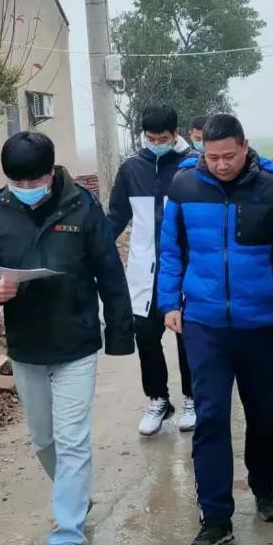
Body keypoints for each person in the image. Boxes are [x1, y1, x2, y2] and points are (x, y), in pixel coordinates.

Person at [0, 132, 134, 545]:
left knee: (72, 439)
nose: (25, 189)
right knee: (44, 440)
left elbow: (109, 273)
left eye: (33, 181)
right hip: (26, 344)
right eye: (17, 183)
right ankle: (74, 495)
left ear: (50, 173)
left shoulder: (81, 207)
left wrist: (119, 333)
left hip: (76, 342)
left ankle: (68, 534)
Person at [157, 114, 273, 545]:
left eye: (229, 155)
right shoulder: (184, 186)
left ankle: (264, 485)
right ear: (202, 151)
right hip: (204, 324)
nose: (221, 164)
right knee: (210, 418)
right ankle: (216, 518)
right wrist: (169, 302)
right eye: (213, 157)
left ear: (246, 145)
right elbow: (170, 250)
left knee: (263, 413)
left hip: (260, 322)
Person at [108, 104, 199, 436]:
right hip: (145, 269)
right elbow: (116, 216)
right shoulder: (132, 169)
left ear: (175, 133)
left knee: (187, 336)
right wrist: (93, 247)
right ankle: (158, 399)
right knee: (146, 337)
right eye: (150, 138)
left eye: (162, 138)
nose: (156, 143)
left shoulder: (193, 165)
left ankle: (192, 398)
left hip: (186, 266)